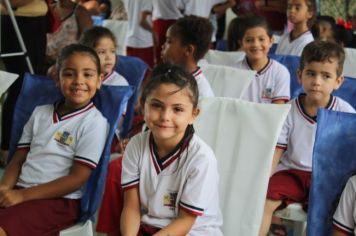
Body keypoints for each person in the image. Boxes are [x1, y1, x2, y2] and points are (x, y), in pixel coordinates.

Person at [0, 44, 108, 235]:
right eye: (69, 74)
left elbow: (77, 179)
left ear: (99, 80)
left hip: (59, 202)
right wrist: (5, 188)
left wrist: (21, 196)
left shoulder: (95, 123)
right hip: (20, 190)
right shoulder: (40, 113)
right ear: (57, 79)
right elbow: (18, 159)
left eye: (88, 74)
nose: (78, 81)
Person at [259, 41, 356, 236]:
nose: (317, 81)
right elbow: (277, 151)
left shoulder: (345, 113)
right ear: (299, 75)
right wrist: (262, 180)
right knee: (264, 200)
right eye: (311, 73)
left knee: (324, 212)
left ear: (338, 81)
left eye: (326, 76)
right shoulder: (288, 110)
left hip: (327, 178)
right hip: (292, 173)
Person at [120, 63, 222, 235]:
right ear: (142, 105)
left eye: (178, 109)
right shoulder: (135, 145)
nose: (165, 116)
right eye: (157, 106)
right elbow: (131, 207)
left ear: (193, 115)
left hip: (194, 232)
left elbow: (185, 221)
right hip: (150, 227)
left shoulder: (201, 158)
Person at [0, 0, 48, 166]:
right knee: (20, 86)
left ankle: (22, 145)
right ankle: (7, 147)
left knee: (32, 86)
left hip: (35, 23)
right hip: (17, 24)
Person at [236, 16, 290, 104]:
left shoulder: (280, 72)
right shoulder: (233, 71)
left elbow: (277, 111)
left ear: (271, 41)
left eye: (261, 39)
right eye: (249, 40)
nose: (256, 44)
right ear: (241, 43)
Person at [161, 15, 215, 98]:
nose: (163, 46)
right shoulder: (169, 73)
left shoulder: (201, 94)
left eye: (169, 41)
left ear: (188, 50)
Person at [46, 0, 92, 68]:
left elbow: (87, 42)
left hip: (68, 63)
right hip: (44, 60)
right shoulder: (49, 9)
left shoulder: (80, 11)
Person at [122, 0, 155, 68]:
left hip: (129, 40)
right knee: (146, 74)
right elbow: (142, 21)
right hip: (144, 41)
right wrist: (154, 31)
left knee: (133, 73)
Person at [150, 0, 183, 64]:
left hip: (158, 21)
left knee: (159, 52)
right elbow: (180, 6)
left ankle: (159, 71)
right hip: (174, 20)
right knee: (175, 51)